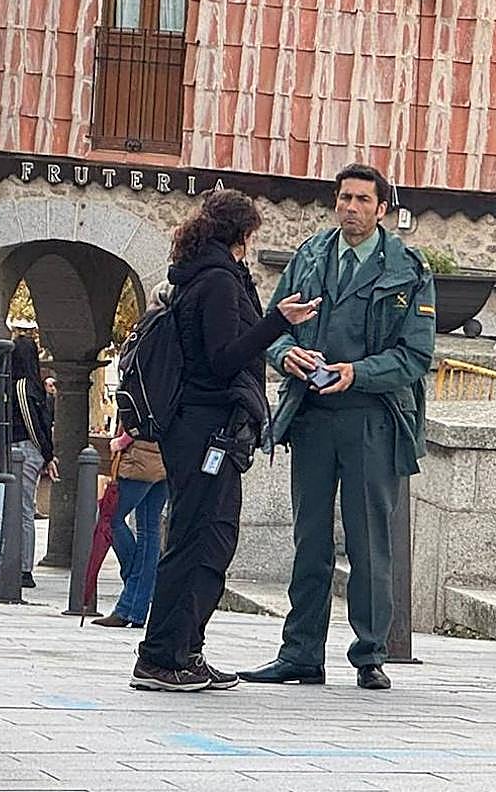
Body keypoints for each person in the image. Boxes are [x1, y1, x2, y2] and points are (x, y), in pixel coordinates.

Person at [238, 164, 436, 691]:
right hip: (311, 417)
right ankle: (300, 653)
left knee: (370, 543)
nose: (351, 207)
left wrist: (358, 373)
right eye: (344, 198)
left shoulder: (407, 269)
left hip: (372, 417)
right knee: (310, 541)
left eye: (362, 200)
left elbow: (416, 355)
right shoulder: (310, 257)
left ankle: (370, 655)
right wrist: (287, 357)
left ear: (382, 210)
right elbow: (274, 326)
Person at [130, 190, 321, 692]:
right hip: (204, 426)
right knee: (199, 540)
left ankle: (182, 651)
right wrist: (279, 321)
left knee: (205, 538)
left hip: (202, 425)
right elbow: (222, 358)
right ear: (244, 235)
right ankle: (163, 656)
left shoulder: (203, 274)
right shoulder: (216, 282)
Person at [0, 323, 58, 589]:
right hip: (31, 449)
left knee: (21, 508)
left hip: (23, 447)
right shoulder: (34, 384)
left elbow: (31, 421)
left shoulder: (19, 386)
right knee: (21, 507)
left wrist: (45, 452)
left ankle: (22, 567)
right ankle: (20, 565)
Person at [92, 426, 168, 629]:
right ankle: (137, 607)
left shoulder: (146, 391)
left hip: (140, 458)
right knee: (150, 530)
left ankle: (134, 591)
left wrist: (120, 442)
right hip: (166, 458)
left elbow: (139, 420)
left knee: (110, 519)